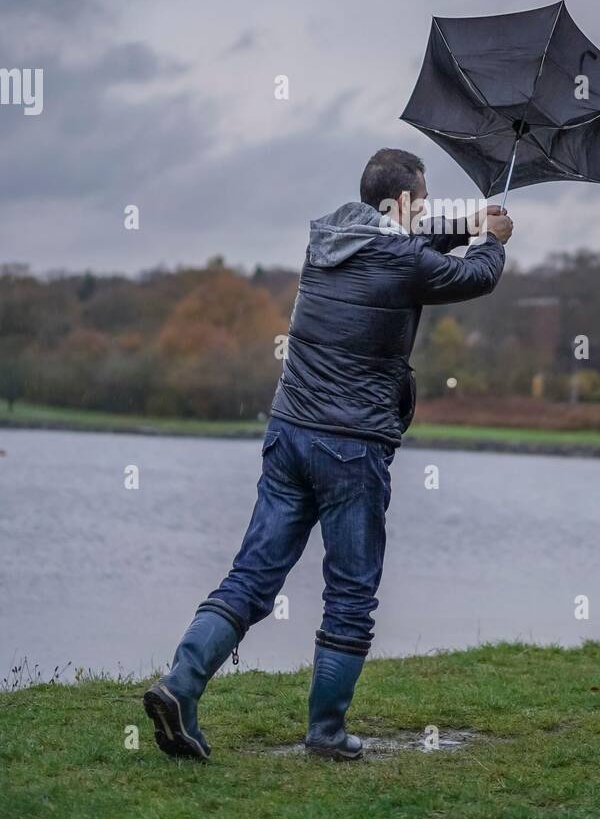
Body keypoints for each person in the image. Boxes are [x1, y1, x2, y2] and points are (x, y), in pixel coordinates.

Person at [144, 148, 513, 761]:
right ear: (401, 203)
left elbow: (415, 243)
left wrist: (471, 221)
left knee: (253, 575)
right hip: (351, 446)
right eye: (422, 200)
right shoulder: (400, 257)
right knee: (351, 592)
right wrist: (493, 241)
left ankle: (180, 684)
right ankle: (327, 732)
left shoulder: (329, 238)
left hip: (289, 432)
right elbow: (470, 278)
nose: (426, 211)